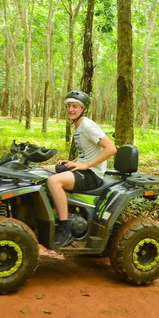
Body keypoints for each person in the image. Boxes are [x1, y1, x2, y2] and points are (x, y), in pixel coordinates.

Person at [43, 90, 116, 247]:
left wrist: (87, 165)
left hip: (92, 174)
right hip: (82, 168)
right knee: (43, 170)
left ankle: (65, 230)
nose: (70, 109)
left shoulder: (88, 125)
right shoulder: (77, 125)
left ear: (84, 109)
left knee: (54, 181)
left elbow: (111, 148)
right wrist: (73, 161)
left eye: (75, 106)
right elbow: (87, 152)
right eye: (69, 106)